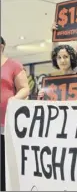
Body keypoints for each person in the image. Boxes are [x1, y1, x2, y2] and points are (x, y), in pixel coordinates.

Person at [0, 36, 29, 191]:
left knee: (4, 163)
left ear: (2, 46)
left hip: (6, 122)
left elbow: (25, 88)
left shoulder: (13, 65)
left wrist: (13, 99)